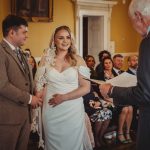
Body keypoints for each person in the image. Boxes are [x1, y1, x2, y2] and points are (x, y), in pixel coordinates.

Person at [99, 0, 150, 149]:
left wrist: (111, 90)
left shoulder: (147, 43)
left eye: (131, 21)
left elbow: (145, 94)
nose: (132, 26)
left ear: (138, 16)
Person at [34, 25, 92, 150]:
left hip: (72, 109)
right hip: (51, 109)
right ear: (54, 40)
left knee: (73, 144)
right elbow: (39, 84)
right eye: (61, 38)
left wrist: (64, 97)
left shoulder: (78, 60)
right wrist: (38, 95)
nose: (65, 41)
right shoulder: (46, 59)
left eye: (68, 37)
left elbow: (86, 87)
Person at [0, 15, 42, 150]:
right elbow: (2, 85)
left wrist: (36, 91)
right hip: (8, 118)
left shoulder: (21, 53)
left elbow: (25, 80)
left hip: (25, 115)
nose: (27, 36)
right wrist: (30, 99)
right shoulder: (1, 52)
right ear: (12, 32)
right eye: (24, 32)